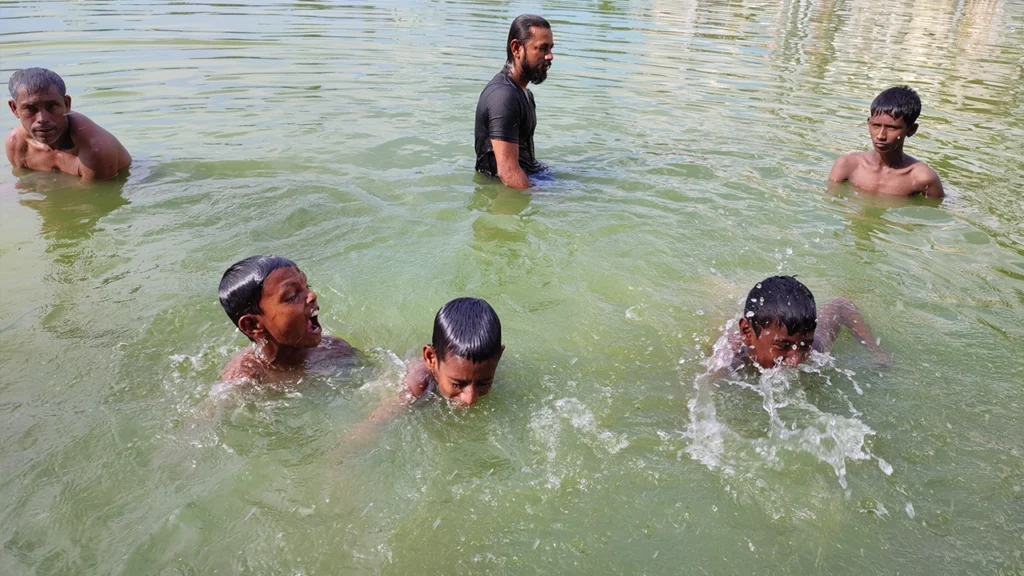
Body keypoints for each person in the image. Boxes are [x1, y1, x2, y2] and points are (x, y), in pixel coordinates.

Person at [216, 255, 357, 391]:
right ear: (252, 325)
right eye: (292, 296)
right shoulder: (242, 381)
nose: (312, 295)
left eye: (307, 285)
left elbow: (377, 381)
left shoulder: (334, 351)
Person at [712, 276, 888, 373]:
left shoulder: (817, 346)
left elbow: (840, 305)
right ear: (746, 332)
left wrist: (877, 351)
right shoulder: (729, 358)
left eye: (805, 346)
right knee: (725, 304)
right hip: (737, 325)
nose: (796, 360)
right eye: (783, 345)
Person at [6, 68, 131, 181]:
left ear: (67, 104)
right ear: (14, 109)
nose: (42, 119)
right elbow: (24, 183)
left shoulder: (95, 149)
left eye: (52, 106)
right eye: (30, 108)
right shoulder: (16, 144)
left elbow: (96, 198)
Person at [474, 14, 554, 189]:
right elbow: (508, 172)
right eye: (542, 48)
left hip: (532, 176)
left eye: (551, 48)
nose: (550, 56)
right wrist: (549, 201)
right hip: (499, 192)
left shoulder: (524, 93)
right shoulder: (503, 96)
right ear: (517, 48)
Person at [828, 85, 943, 198]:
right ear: (869, 123)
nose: (880, 135)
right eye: (876, 125)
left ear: (911, 130)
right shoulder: (847, 165)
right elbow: (830, 203)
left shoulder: (922, 178)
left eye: (892, 127)